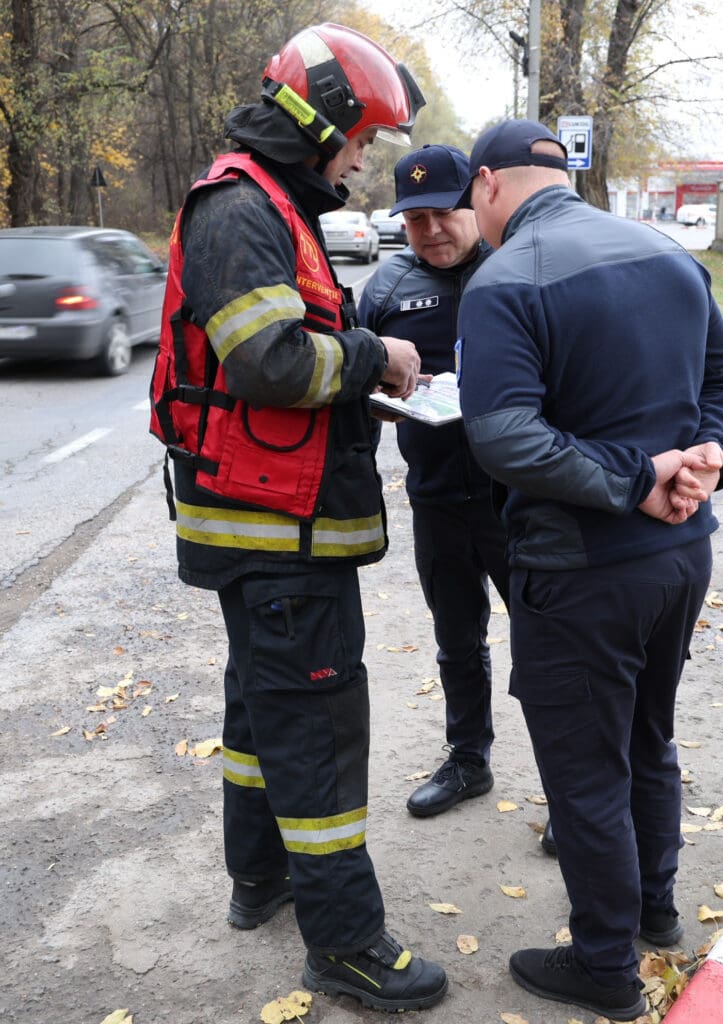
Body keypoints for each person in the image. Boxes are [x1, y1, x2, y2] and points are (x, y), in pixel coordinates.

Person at [148, 23, 448, 1012]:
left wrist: (360, 364)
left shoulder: (267, 201)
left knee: (261, 715)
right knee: (317, 729)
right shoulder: (244, 207)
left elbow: (287, 344)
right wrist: (376, 359)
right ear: (320, 123)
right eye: (361, 139)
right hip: (276, 532)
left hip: (264, 526)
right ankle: (347, 945)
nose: (363, 161)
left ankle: (260, 877)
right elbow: (269, 363)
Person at [454, 119, 723, 1021]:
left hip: (580, 572)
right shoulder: (667, 255)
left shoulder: (503, 278)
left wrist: (637, 479)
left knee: (586, 773)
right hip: (678, 559)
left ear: (486, 185)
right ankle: (654, 909)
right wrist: (709, 462)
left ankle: (604, 965)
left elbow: (504, 437)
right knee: (646, 739)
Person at [357, 144, 512, 820]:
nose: (432, 230)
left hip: (521, 498)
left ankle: (575, 787)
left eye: (444, 212)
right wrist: (376, 405)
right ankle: (468, 759)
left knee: (552, 644)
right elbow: (355, 386)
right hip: (438, 498)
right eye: (415, 219)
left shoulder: (515, 269)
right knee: (457, 638)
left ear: (474, 202)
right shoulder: (386, 289)